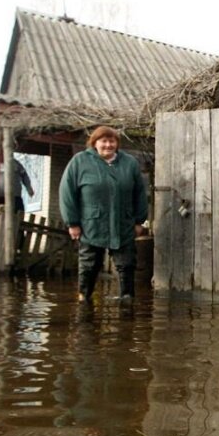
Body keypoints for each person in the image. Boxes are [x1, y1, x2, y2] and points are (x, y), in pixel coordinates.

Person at [60, 126, 148, 303]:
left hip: (123, 223)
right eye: (103, 141)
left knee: (127, 265)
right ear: (94, 143)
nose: (108, 145)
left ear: (117, 144)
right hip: (92, 224)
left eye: (112, 141)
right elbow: (67, 193)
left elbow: (140, 193)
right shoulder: (80, 161)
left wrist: (139, 221)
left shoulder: (129, 163)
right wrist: (73, 223)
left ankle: (127, 299)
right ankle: (84, 298)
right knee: (89, 265)